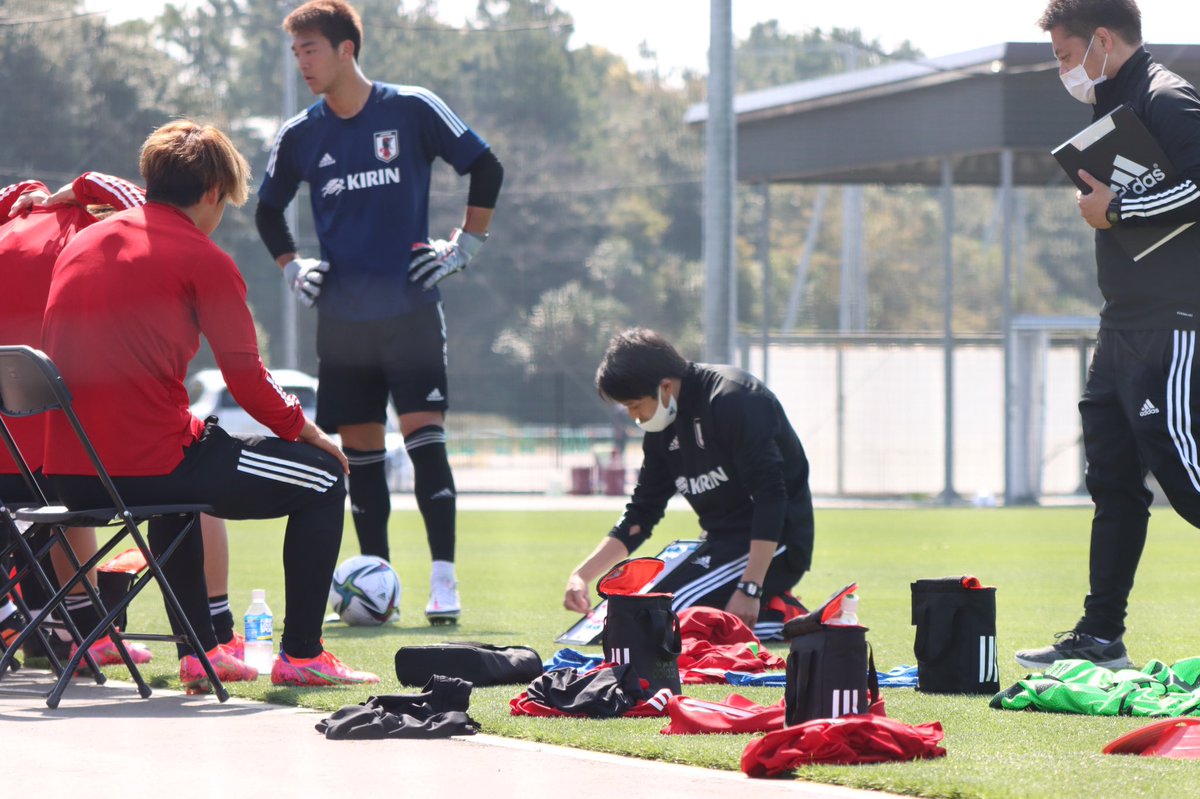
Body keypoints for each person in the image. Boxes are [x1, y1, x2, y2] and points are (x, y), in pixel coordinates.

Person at [40, 119, 378, 690]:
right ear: (213, 192)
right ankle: (302, 654)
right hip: (151, 469)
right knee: (324, 478)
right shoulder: (203, 257)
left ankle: (200, 652)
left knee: (184, 478)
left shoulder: (80, 245)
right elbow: (246, 378)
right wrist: (308, 431)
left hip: (70, 480)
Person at [255, 0, 503, 626]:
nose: (302, 62)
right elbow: (266, 208)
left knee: (425, 447)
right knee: (359, 460)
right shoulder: (301, 133)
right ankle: (377, 585)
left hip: (411, 311)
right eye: (296, 52)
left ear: (346, 50)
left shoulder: (411, 107)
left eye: (311, 49)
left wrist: (464, 249)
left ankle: (444, 583)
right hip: (342, 323)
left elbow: (486, 165)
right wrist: (291, 266)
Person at [1016, 0, 1200, 670]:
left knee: (1186, 475)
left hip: (1172, 325)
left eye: (1065, 56)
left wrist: (1117, 207)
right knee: (1113, 482)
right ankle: (1100, 636)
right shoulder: (1111, 108)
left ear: (1100, 40)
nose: (1063, 71)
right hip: (1119, 324)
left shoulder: (1168, 97)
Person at [0, 176, 244, 666]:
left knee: (74, 469)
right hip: (67, 467)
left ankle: (65, 623)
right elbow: (160, 210)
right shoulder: (93, 235)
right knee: (193, 471)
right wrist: (82, 186)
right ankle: (214, 630)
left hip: (11, 478)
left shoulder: (9, 232)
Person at [562, 329, 814, 640]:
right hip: (718, 544)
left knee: (661, 625)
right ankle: (772, 607)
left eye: (634, 404)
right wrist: (582, 575)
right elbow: (641, 513)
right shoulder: (661, 428)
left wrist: (750, 587)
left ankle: (798, 621)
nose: (632, 416)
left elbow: (772, 496)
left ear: (665, 387)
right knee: (630, 614)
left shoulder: (734, 400)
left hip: (779, 543)